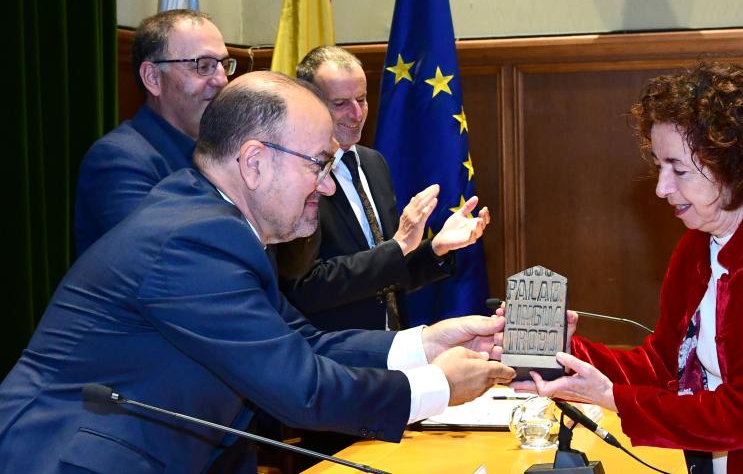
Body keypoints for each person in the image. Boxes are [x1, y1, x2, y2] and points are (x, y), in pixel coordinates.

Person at [0, 71, 515, 474]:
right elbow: (302, 389)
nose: (329, 187)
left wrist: (426, 343)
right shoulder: (195, 240)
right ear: (254, 163)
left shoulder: (216, 225)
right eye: (319, 164)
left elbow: (302, 343)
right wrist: (435, 387)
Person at [512, 62, 743, 473]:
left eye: (679, 170)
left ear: (734, 165)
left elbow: (742, 417)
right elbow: (664, 366)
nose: (661, 188)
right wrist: (565, 351)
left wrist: (612, 398)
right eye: (659, 166)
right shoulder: (696, 247)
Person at [280, 45, 489, 331]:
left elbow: (387, 272)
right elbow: (304, 287)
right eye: (340, 103)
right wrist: (399, 245)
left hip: (390, 347)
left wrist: (437, 249)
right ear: (309, 103)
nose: (357, 114)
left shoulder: (373, 162)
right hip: (332, 354)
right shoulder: (295, 173)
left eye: (362, 99)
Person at [74, 9, 233, 256]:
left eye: (224, 65)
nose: (222, 80)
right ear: (153, 78)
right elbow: (167, 261)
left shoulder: (225, 151)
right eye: (204, 66)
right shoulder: (118, 160)